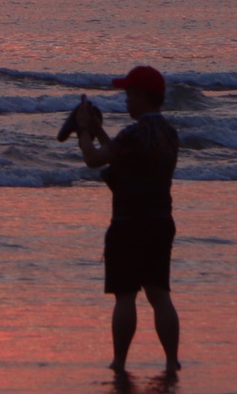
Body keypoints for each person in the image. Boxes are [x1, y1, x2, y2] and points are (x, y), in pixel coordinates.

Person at [70, 65, 181, 374]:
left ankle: (120, 362)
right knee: (160, 295)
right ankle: (172, 361)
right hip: (160, 220)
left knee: (125, 296)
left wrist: (82, 130)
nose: (126, 100)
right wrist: (99, 131)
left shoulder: (134, 133)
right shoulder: (169, 134)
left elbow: (93, 160)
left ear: (143, 96)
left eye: (129, 94)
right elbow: (123, 154)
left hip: (129, 222)